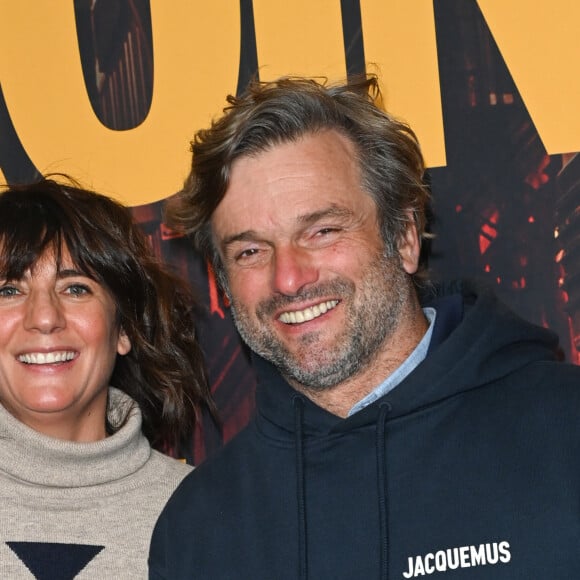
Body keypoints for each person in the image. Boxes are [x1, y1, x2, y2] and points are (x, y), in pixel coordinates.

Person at [149, 76, 580, 579]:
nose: (288, 278)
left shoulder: (565, 432)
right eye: (250, 251)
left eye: (322, 231)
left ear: (405, 238)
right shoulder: (199, 527)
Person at [0, 177, 216, 579]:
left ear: (123, 329)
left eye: (76, 288)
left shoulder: (207, 511)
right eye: (9, 290)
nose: (44, 317)